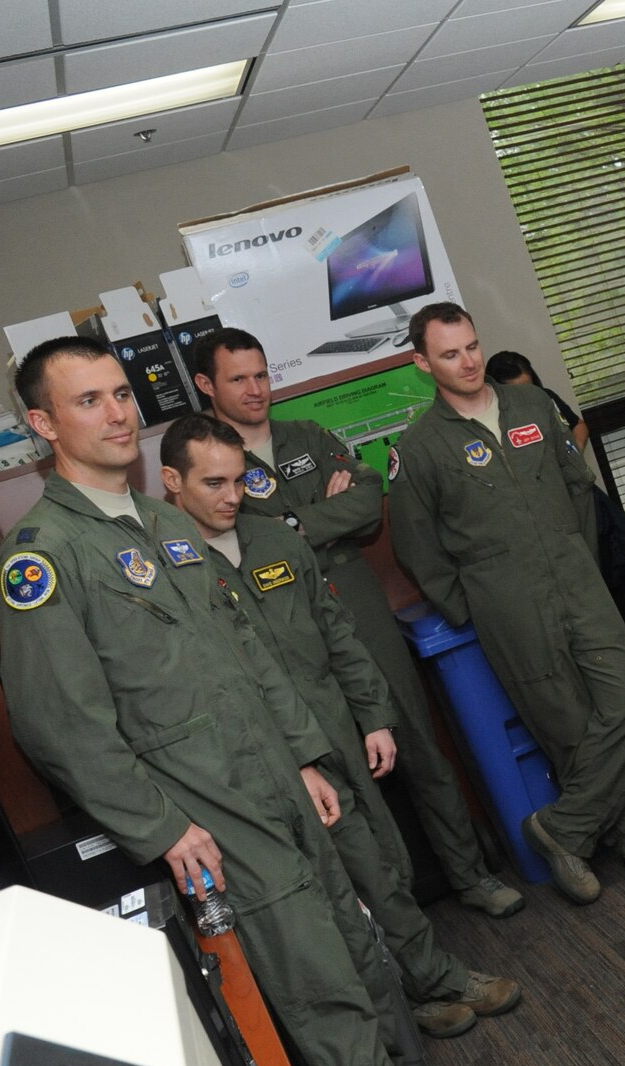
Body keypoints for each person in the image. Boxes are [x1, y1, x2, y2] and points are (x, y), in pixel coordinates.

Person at [0, 338, 521, 1066]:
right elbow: (61, 729)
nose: (118, 413)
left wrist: (311, 758)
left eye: (122, 393)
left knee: (360, 961)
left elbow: (255, 660)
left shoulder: (167, 528)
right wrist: (160, 829)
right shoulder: (43, 563)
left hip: (279, 784)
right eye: (89, 401)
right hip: (211, 818)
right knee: (320, 991)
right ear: (44, 425)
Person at [159, 414, 524, 1039]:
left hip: (330, 733)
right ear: (172, 481)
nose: (231, 497)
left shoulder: (276, 540)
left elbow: (338, 634)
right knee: (320, 904)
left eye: (240, 480)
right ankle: (388, 1021)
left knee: (380, 864)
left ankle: (433, 980)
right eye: (213, 484)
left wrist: (375, 717)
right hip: (261, 761)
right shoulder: (162, 568)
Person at [190, 328, 522, 919]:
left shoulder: (308, 436)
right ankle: (394, 915)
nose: (255, 389)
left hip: (359, 606)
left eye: (262, 374)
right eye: (238, 378)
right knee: (340, 771)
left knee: (416, 740)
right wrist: (320, 516)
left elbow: (369, 499)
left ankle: (471, 876)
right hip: (288, 627)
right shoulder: (209, 464)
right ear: (205, 386)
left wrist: (291, 527)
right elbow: (239, 537)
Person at [390, 302, 625, 905]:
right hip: (507, 604)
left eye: (471, 345)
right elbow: (418, 548)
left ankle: (561, 827)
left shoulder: (531, 406)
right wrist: (474, 606)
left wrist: (578, 558)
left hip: (576, 579)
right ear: (422, 363)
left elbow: (578, 488)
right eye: (449, 353)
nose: (468, 361)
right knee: (566, 726)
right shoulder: (418, 448)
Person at [486, 349, 591, 454]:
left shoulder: (546, 397)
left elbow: (578, 425)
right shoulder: (494, 420)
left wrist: (574, 454)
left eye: (529, 387)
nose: (526, 395)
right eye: (517, 391)